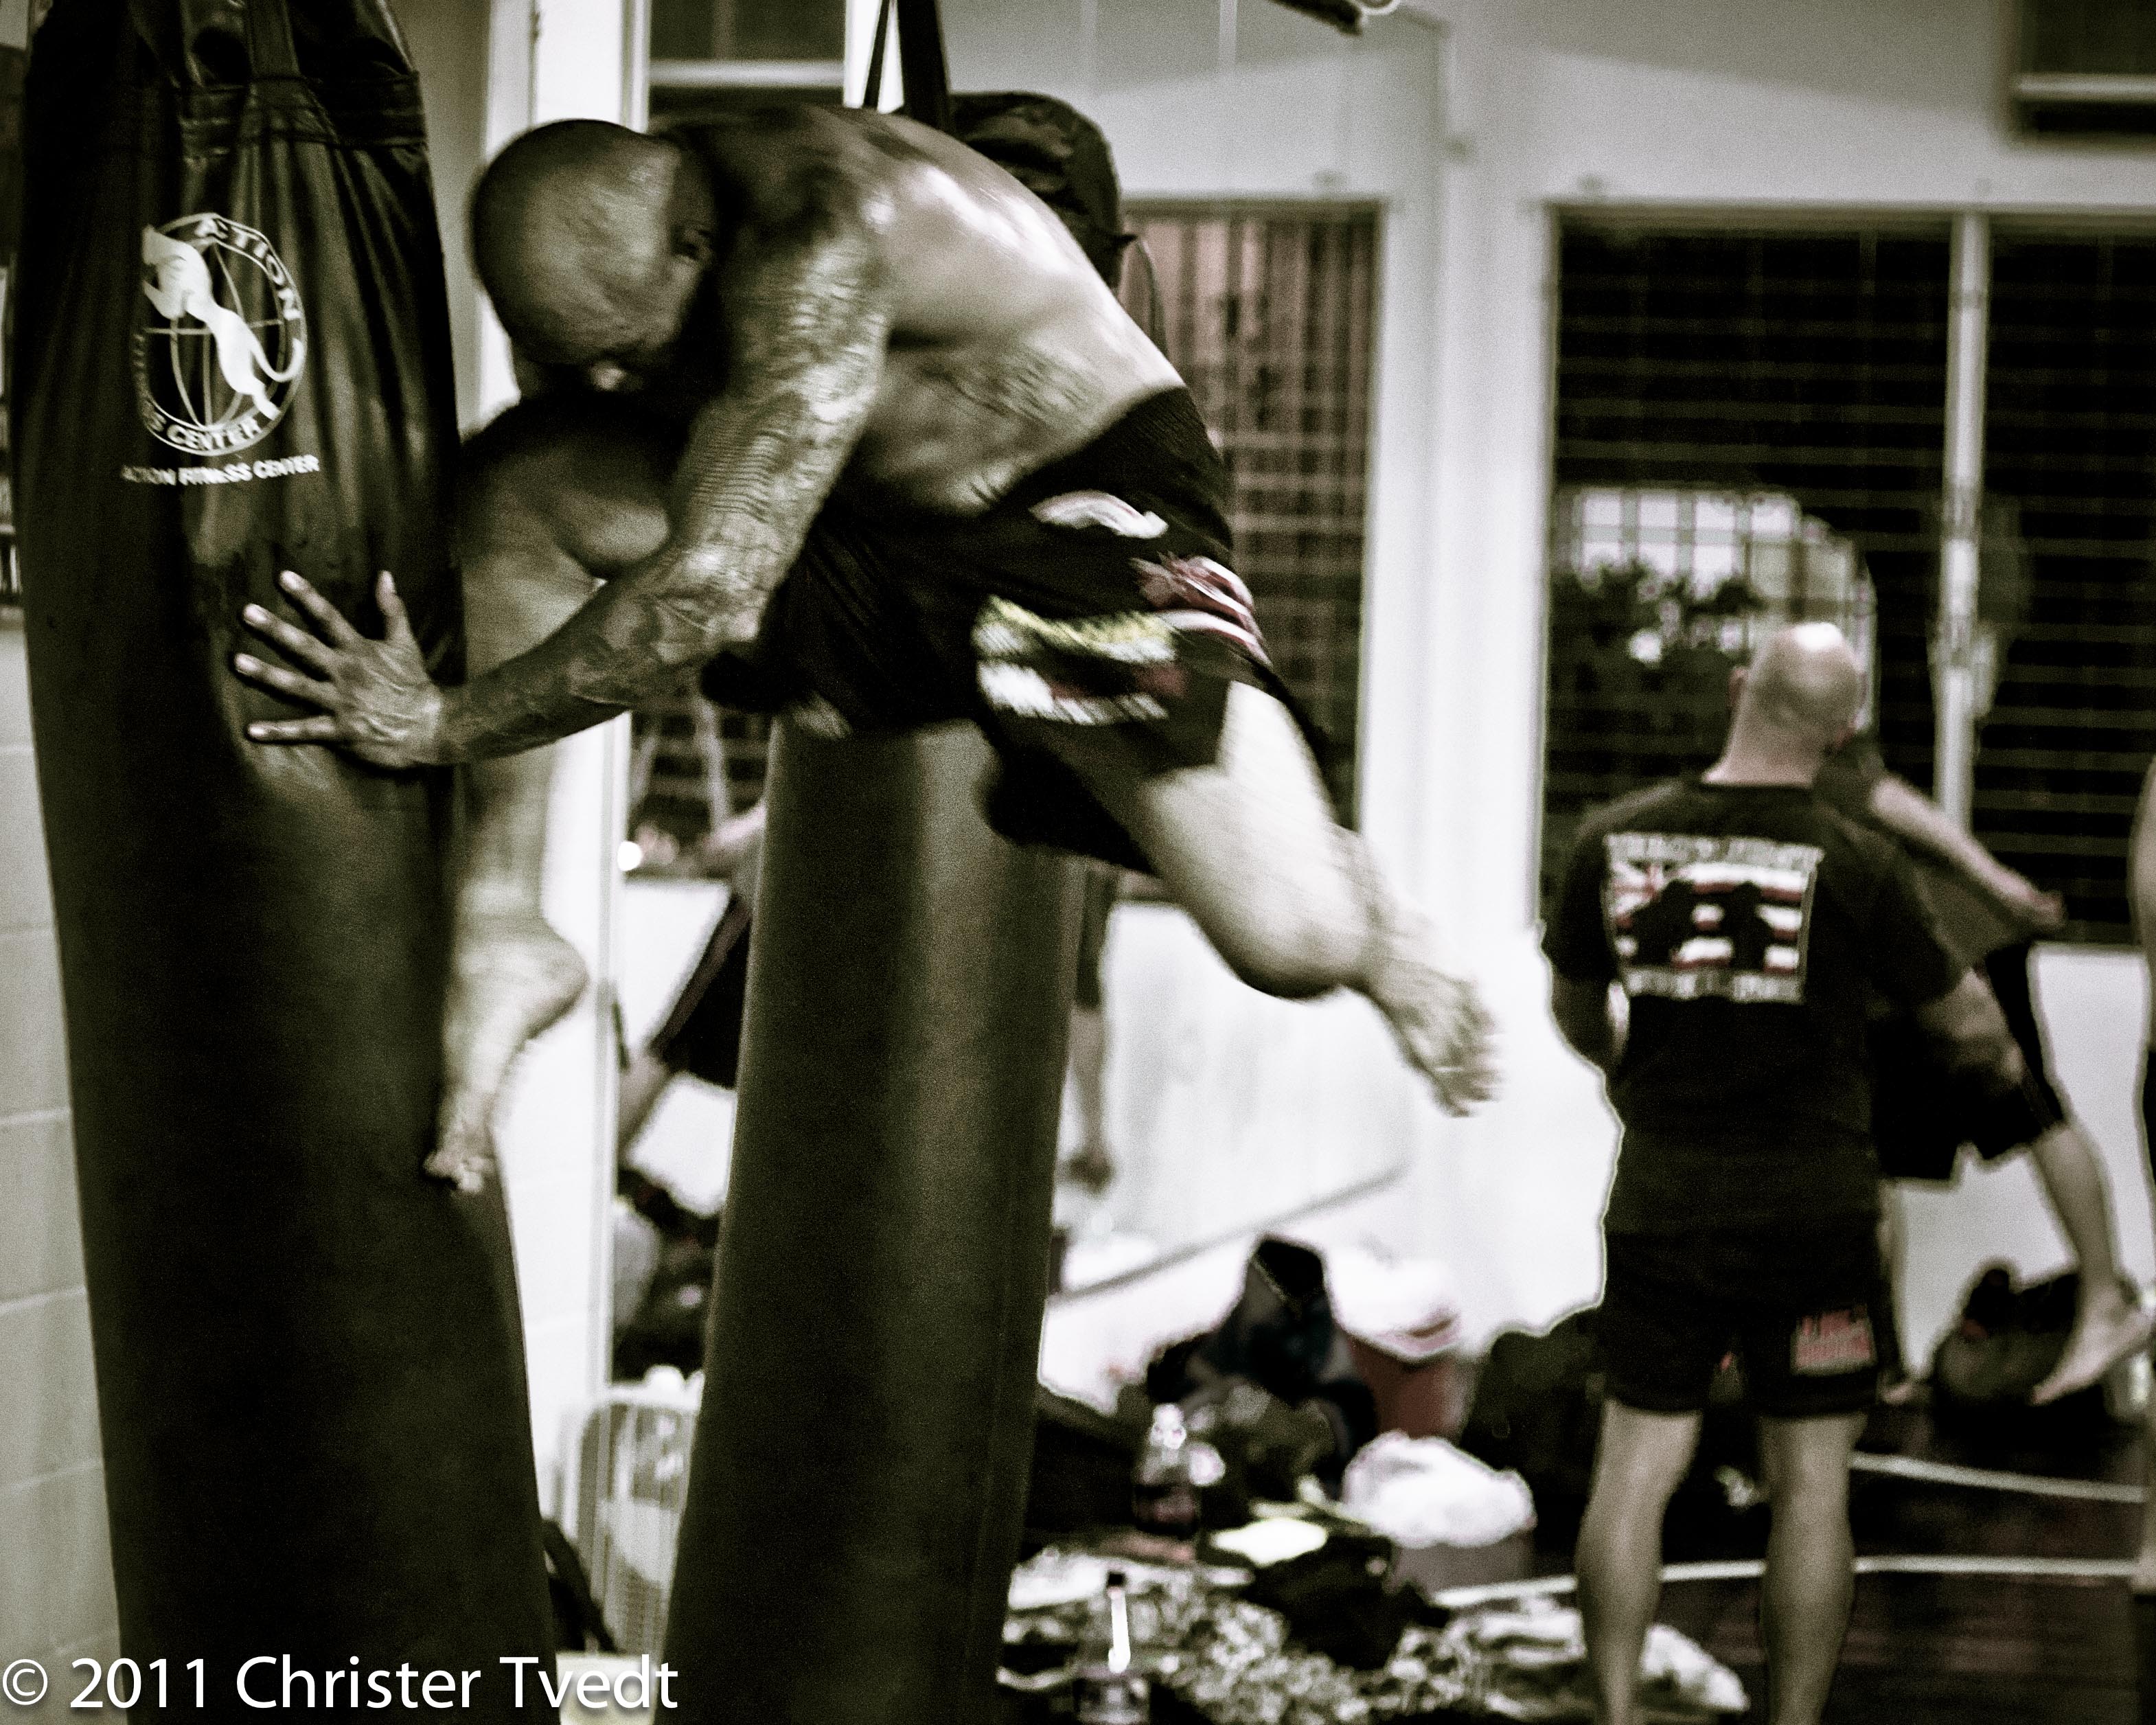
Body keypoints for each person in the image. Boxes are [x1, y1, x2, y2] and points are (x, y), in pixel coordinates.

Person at [227, 108, 1494, 1190]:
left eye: (631, 355)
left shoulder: (824, 234)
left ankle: (1371, 923)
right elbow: (634, 478)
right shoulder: (618, 253)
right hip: (856, 516)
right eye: (585, 360)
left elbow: (706, 598)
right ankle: (505, 923)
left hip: (1068, 523)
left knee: (1290, 943)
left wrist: (437, 721)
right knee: (519, 482)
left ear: (694, 246)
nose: (615, 390)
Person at [1544, 624, 2028, 1725]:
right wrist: (1990, 1064)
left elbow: (1574, 1010)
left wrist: (1626, 1069)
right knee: (1811, 1487)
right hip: (1815, 1219)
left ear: (1736, 691)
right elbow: (1968, 1021)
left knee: (1634, 1472)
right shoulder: (1859, 862)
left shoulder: (1615, 840)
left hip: (1663, 1203)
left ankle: (1613, 1713)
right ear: (1845, 733)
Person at [1813, 731, 2150, 1406]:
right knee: (1865, 1152)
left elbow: (1895, 804)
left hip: (1957, 945)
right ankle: (1882, 1364)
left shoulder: (1803, 753)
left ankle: (2104, 1304)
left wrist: (1999, 884)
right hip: (1888, 977)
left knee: (2031, 1111)